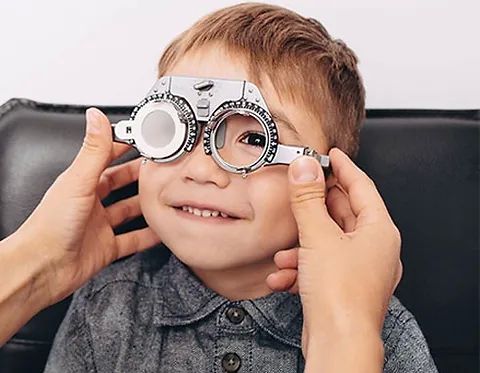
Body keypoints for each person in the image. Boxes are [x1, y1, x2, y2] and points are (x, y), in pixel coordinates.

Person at [35, 3, 436, 372]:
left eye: (255, 139)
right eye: (175, 127)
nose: (200, 170)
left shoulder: (379, 330)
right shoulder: (106, 307)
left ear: (327, 180)